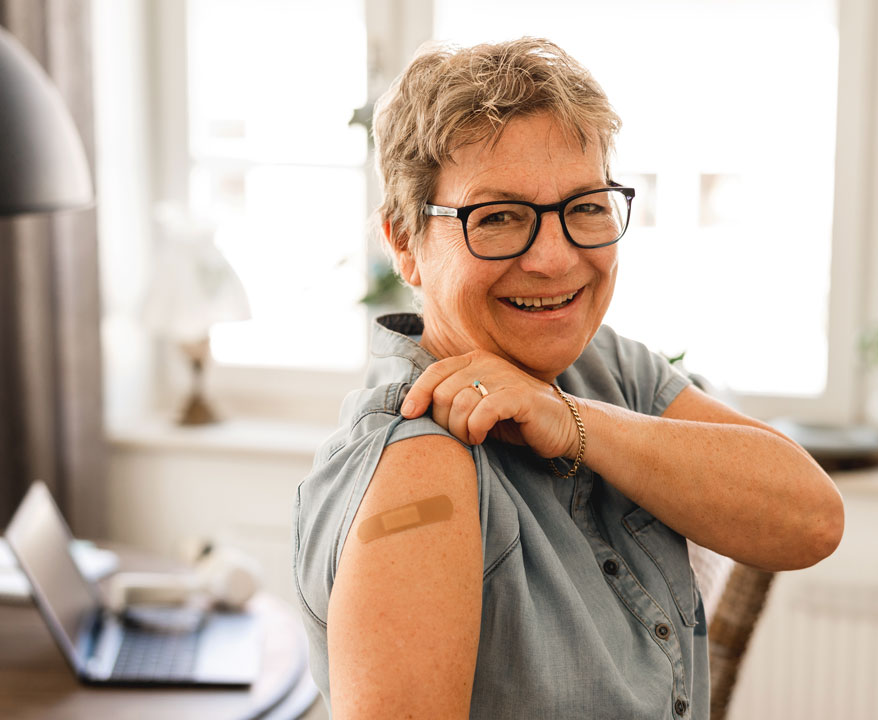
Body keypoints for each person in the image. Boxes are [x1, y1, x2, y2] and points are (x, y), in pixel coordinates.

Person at [293, 37, 844, 719]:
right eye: (498, 217)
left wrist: (574, 423)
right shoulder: (420, 466)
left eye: (585, 206)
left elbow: (812, 520)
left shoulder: (604, 367)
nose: (554, 259)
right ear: (406, 242)